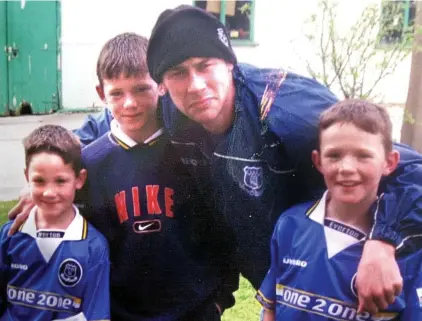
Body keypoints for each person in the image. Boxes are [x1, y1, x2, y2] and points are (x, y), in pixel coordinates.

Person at [145, 4, 422, 314]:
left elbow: (411, 169)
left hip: (353, 276)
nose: (195, 85)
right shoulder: (168, 115)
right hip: (286, 283)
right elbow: (112, 130)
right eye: (178, 73)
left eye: (205, 65)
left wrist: (384, 242)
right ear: (162, 85)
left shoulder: (285, 110)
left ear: (228, 63)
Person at [8, 33, 236, 320]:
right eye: (117, 93)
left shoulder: (193, 152)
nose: (130, 103)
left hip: (194, 313)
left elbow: (223, 231)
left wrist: (218, 299)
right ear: (102, 94)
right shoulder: (88, 167)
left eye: (141, 89)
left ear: (161, 85)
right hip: (118, 313)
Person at [256, 100, 422, 320]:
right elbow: (271, 309)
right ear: (318, 161)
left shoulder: (409, 249)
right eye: (334, 155)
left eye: (363, 155)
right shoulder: (290, 224)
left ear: (389, 163)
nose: (346, 168)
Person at [0, 125, 110, 321]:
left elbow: (97, 315)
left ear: (79, 179)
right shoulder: (10, 235)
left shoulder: (94, 246)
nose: (49, 192)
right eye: (39, 181)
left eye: (60, 181)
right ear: (27, 178)